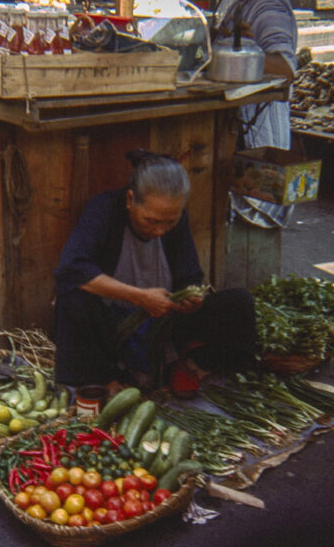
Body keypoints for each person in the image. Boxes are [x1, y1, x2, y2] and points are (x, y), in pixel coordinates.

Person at [53, 150, 257, 394]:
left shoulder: (176, 219)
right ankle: (106, 381)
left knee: (239, 303)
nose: (160, 230)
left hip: (162, 325)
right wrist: (139, 297)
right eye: (151, 221)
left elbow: (189, 274)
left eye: (169, 222)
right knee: (73, 301)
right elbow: (72, 268)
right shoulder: (104, 209)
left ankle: (192, 364)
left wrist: (191, 298)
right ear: (130, 200)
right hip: (111, 325)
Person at [216, 0, 298, 228]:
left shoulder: (269, 6)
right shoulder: (243, 2)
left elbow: (286, 68)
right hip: (246, 139)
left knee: (253, 225)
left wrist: (246, 50)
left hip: (261, 141)